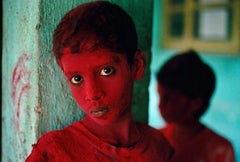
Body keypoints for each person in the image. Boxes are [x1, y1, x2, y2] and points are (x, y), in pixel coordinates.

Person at [25, 1, 173, 162]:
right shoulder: (53, 153)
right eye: (76, 79)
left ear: (136, 66)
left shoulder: (158, 147)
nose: (92, 94)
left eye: (106, 71)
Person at [156, 49, 236, 162]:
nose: (159, 105)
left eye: (168, 99)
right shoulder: (156, 140)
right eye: (159, 96)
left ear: (195, 103)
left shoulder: (220, 149)